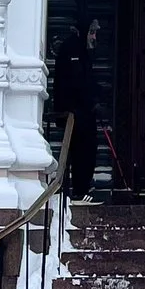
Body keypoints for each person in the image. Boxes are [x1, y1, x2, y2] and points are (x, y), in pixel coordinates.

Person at [49, 18, 101, 197]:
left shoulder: (83, 51)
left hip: (83, 113)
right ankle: (77, 191)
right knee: (79, 153)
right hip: (75, 113)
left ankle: (82, 188)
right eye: (92, 32)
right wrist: (91, 100)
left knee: (85, 152)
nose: (94, 37)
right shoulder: (72, 49)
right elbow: (76, 82)